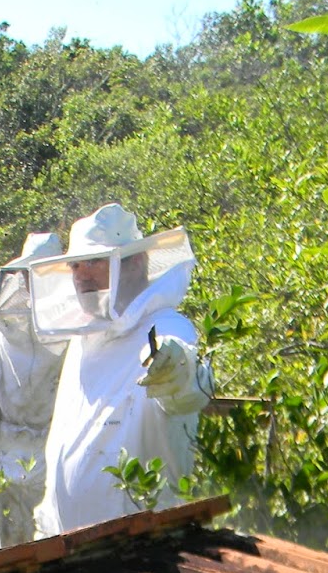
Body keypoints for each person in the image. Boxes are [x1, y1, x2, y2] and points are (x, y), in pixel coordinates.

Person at [32, 205, 213, 536]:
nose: (81, 275)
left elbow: (186, 392)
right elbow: (63, 442)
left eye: (95, 262)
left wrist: (176, 367)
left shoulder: (166, 327)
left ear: (136, 263)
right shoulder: (84, 340)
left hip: (141, 549)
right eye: (75, 265)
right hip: (70, 553)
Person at [0, 232, 67, 546]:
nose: (32, 279)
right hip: (7, 447)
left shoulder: (73, 326)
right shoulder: (3, 330)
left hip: (52, 447)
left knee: (51, 534)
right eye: (28, 273)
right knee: (9, 540)